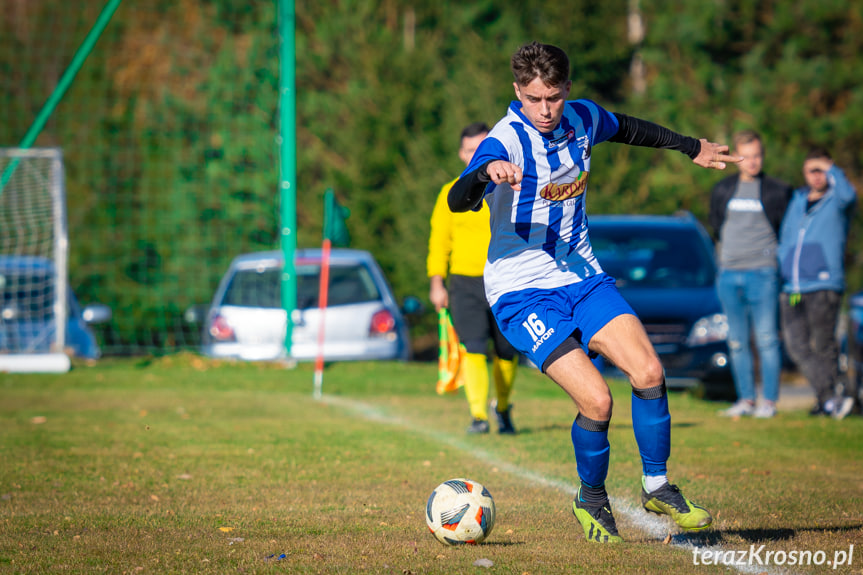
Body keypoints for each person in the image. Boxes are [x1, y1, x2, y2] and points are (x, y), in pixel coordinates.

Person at [448, 41, 740, 543]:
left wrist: (691, 146)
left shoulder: (581, 118)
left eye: (554, 97)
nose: (545, 110)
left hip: (581, 277)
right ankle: (592, 496)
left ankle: (657, 484)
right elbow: (459, 197)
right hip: (522, 293)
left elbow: (628, 127)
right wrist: (483, 173)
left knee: (649, 370)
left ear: (567, 91)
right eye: (535, 98)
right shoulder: (507, 139)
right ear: (518, 91)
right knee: (598, 400)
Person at [427, 122, 520, 434]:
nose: (474, 156)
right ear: (461, 154)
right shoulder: (448, 193)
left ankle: (503, 409)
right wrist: (436, 282)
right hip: (465, 281)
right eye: (469, 151)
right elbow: (440, 240)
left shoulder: (510, 188)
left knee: (507, 351)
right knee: (474, 346)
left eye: (480, 149)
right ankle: (479, 416)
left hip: (507, 279)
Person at [709, 130, 792, 419]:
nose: (752, 162)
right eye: (746, 156)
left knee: (767, 338)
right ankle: (745, 400)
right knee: (737, 340)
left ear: (763, 157)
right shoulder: (722, 190)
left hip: (763, 274)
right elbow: (716, 225)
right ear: (736, 158)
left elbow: (786, 228)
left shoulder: (777, 190)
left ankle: (768, 402)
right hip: (729, 274)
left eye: (757, 155)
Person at [777, 148, 857, 420]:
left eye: (821, 169)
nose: (817, 175)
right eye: (812, 170)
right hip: (793, 287)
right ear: (804, 172)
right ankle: (830, 396)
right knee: (796, 345)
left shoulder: (837, 199)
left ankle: (830, 399)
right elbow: (787, 235)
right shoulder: (798, 199)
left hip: (823, 284)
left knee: (824, 345)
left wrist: (833, 169)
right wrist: (782, 262)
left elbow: (849, 195)